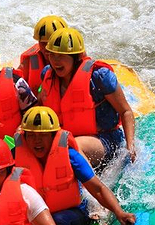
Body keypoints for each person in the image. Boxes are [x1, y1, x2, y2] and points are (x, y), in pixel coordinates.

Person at [14, 107, 136, 225]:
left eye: (43, 136)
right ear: (25, 136)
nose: (37, 141)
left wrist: (119, 212)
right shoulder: (14, 157)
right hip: (35, 216)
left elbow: (97, 188)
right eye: (32, 135)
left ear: (53, 136)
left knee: (59, 219)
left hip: (72, 213)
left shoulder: (70, 156)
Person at [38, 28, 136, 167]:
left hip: (105, 140)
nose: (55, 61)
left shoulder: (99, 77)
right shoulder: (47, 75)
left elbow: (126, 112)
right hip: (66, 140)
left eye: (61, 56)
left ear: (77, 57)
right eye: (52, 55)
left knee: (72, 147)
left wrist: (130, 145)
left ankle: (89, 188)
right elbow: (40, 105)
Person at [18, 15, 68, 95]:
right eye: (43, 43)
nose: (46, 48)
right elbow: (15, 81)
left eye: (50, 43)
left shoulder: (73, 59)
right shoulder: (30, 60)